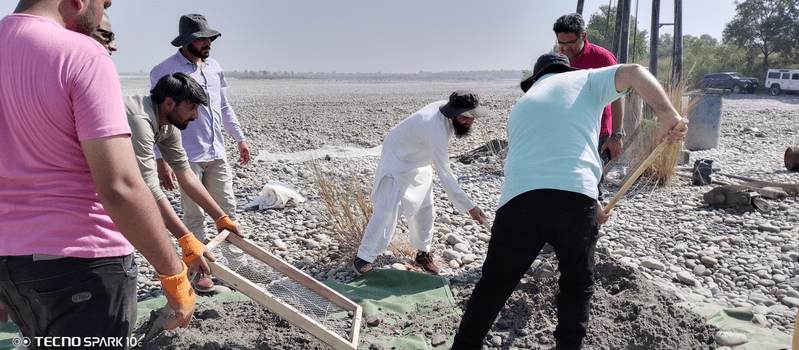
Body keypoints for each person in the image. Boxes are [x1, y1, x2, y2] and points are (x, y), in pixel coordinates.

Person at [451, 53, 687, 350]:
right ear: (566, 70)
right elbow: (635, 72)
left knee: (493, 286)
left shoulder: (522, 105)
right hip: (575, 200)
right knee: (577, 285)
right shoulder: (586, 79)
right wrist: (668, 116)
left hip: (520, 202)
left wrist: (593, 202)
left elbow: (543, 161)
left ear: (536, 80)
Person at [0, 0, 196, 347]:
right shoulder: (83, 55)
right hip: (81, 265)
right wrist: (173, 273)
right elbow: (120, 186)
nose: (106, 4)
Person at [125, 72, 243, 293]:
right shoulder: (138, 121)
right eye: (192, 108)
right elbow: (148, 188)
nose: (196, 116)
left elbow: (186, 174)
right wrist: (186, 239)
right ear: (169, 103)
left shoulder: (168, 125)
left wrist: (220, 217)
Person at [352, 90, 488, 276]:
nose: (470, 121)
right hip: (398, 159)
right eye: (465, 117)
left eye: (473, 116)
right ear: (453, 113)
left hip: (420, 161)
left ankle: (422, 253)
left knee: (426, 209)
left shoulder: (446, 113)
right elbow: (445, 173)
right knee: (387, 211)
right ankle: (363, 258)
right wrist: (469, 206)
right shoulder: (434, 132)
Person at [150, 13, 250, 249]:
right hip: (185, 155)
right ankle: (201, 269)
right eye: (202, 38)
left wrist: (239, 138)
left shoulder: (214, 68)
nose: (208, 43)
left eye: (210, 38)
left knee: (227, 209)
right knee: (193, 215)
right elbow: (156, 116)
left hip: (217, 152)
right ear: (186, 41)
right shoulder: (164, 70)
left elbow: (224, 106)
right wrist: (160, 159)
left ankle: (235, 263)